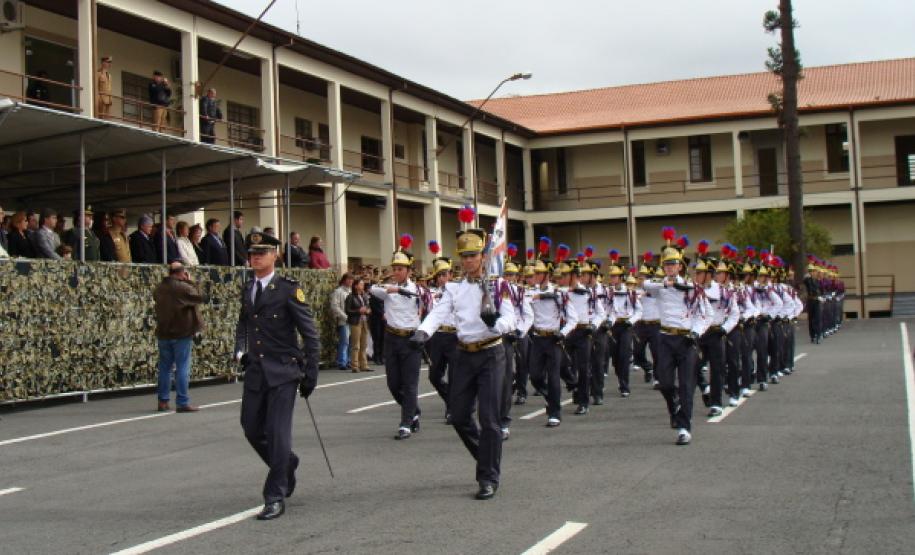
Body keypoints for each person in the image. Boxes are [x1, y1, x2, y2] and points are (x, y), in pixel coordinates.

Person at [411, 219, 516, 501]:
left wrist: (496, 324)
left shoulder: (498, 285)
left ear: (483, 256)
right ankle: (486, 458)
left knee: (489, 418)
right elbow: (438, 312)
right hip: (464, 354)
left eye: (473, 255)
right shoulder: (454, 288)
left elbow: (511, 319)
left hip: (491, 353)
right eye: (464, 256)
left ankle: (488, 477)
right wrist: (422, 332)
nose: (468, 260)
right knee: (458, 416)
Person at [234, 230, 319, 521]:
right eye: (252, 253)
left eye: (262, 253)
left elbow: (309, 333)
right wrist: (239, 351)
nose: (255, 257)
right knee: (251, 428)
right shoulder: (248, 288)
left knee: (277, 434)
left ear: (275, 255)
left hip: (284, 371)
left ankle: (275, 495)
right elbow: (244, 324)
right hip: (257, 371)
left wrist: (311, 372)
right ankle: (286, 464)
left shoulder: (287, 289)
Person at [641, 229, 710, 445]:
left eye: (673, 264)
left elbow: (705, 315)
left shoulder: (692, 288)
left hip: (686, 339)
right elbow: (645, 285)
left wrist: (695, 332)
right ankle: (674, 407)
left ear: (680, 266)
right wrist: (665, 283)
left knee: (687, 385)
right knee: (665, 383)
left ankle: (684, 427)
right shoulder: (660, 286)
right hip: (665, 338)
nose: (670, 268)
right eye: (666, 265)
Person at [370, 235, 422, 439]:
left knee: (410, 384)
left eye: (401, 269)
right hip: (392, 339)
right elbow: (373, 290)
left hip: (411, 340)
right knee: (393, 384)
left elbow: (422, 297)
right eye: (395, 268)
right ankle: (414, 411)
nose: (397, 272)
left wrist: (399, 290)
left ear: (409, 271)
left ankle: (406, 423)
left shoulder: (416, 289)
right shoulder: (387, 288)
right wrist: (391, 288)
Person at [526, 237, 577, 427]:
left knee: (554, 376)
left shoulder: (560, 293)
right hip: (538, 339)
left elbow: (572, 319)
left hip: (554, 339)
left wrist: (562, 333)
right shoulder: (528, 292)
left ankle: (554, 412)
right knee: (535, 376)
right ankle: (550, 397)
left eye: (538, 273)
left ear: (546, 274)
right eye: (534, 273)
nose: (535, 276)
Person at [154, 261, 205, 413]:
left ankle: (163, 401)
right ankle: (182, 402)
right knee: (182, 367)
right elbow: (201, 296)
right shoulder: (183, 287)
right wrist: (190, 281)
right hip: (182, 332)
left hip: (164, 331)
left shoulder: (159, 288)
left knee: (165, 367)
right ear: (181, 273)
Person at [424, 247, 458, 419]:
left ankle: (452, 408)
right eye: (440, 275)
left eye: (446, 274)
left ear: (451, 275)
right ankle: (451, 400)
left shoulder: (458, 291)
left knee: (454, 375)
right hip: (437, 337)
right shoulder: (429, 293)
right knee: (434, 376)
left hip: (454, 336)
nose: (443, 278)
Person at [605, 251, 641, 400]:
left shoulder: (630, 293)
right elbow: (605, 309)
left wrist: (630, 321)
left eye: (615, 276)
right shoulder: (607, 292)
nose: (612, 279)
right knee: (615, 358)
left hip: (626, 326)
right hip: (613, 327)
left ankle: (624, 385)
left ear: (621, 278)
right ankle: (621, 378)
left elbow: (639, 310)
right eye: (611, 276)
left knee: (624, 356)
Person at [345, 278, 371, 372]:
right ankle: (355, 366)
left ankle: (364, 365)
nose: (362, 285)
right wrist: (358, 311)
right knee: (356, 345)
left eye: (363, 284)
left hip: (364, 321)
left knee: (364, 344)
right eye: (360, 284)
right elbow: (347, 310)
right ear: (355, 286)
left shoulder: (364, 296)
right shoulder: (350, 297)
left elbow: (368, 306)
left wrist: (368, 311)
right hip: (355, 322)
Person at [330, 273, 354, 369]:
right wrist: (345, 317)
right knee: (345, 342)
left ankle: (349, 361)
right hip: (344, 320)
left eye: (351, 280)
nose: (350, 281)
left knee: (352, 342)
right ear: (344, 280)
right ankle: (341, 362)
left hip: (354, 320)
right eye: (348, 279)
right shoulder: (338, 291)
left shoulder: (352, 291)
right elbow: (334, 306)